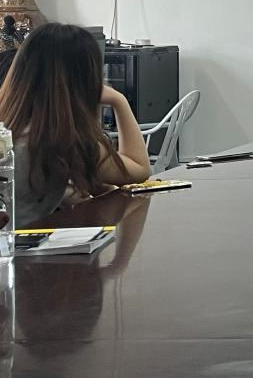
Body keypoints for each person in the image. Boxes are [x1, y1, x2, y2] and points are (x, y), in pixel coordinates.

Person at [0, 22, 151, 227]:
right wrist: (119, 100)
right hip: (19, 246)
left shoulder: (13, 133)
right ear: (85, 82)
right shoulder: (64, 141)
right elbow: (139, 169)